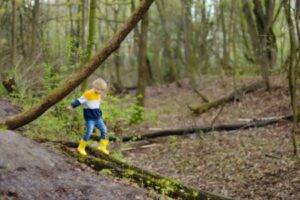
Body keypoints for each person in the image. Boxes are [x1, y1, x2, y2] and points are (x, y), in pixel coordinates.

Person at [69, 78, 109, 156]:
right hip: (90, 118)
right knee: (89, 132)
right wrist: (72, 106)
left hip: (97, 117)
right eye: (98, 89)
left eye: (101, 90)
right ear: (94, 87)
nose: (100, 92)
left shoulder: (98, 94)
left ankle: (102, 147)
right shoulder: (88, 93)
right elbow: (80, 100)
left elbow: (96, 104)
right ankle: (81, 147)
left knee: (104, 130)